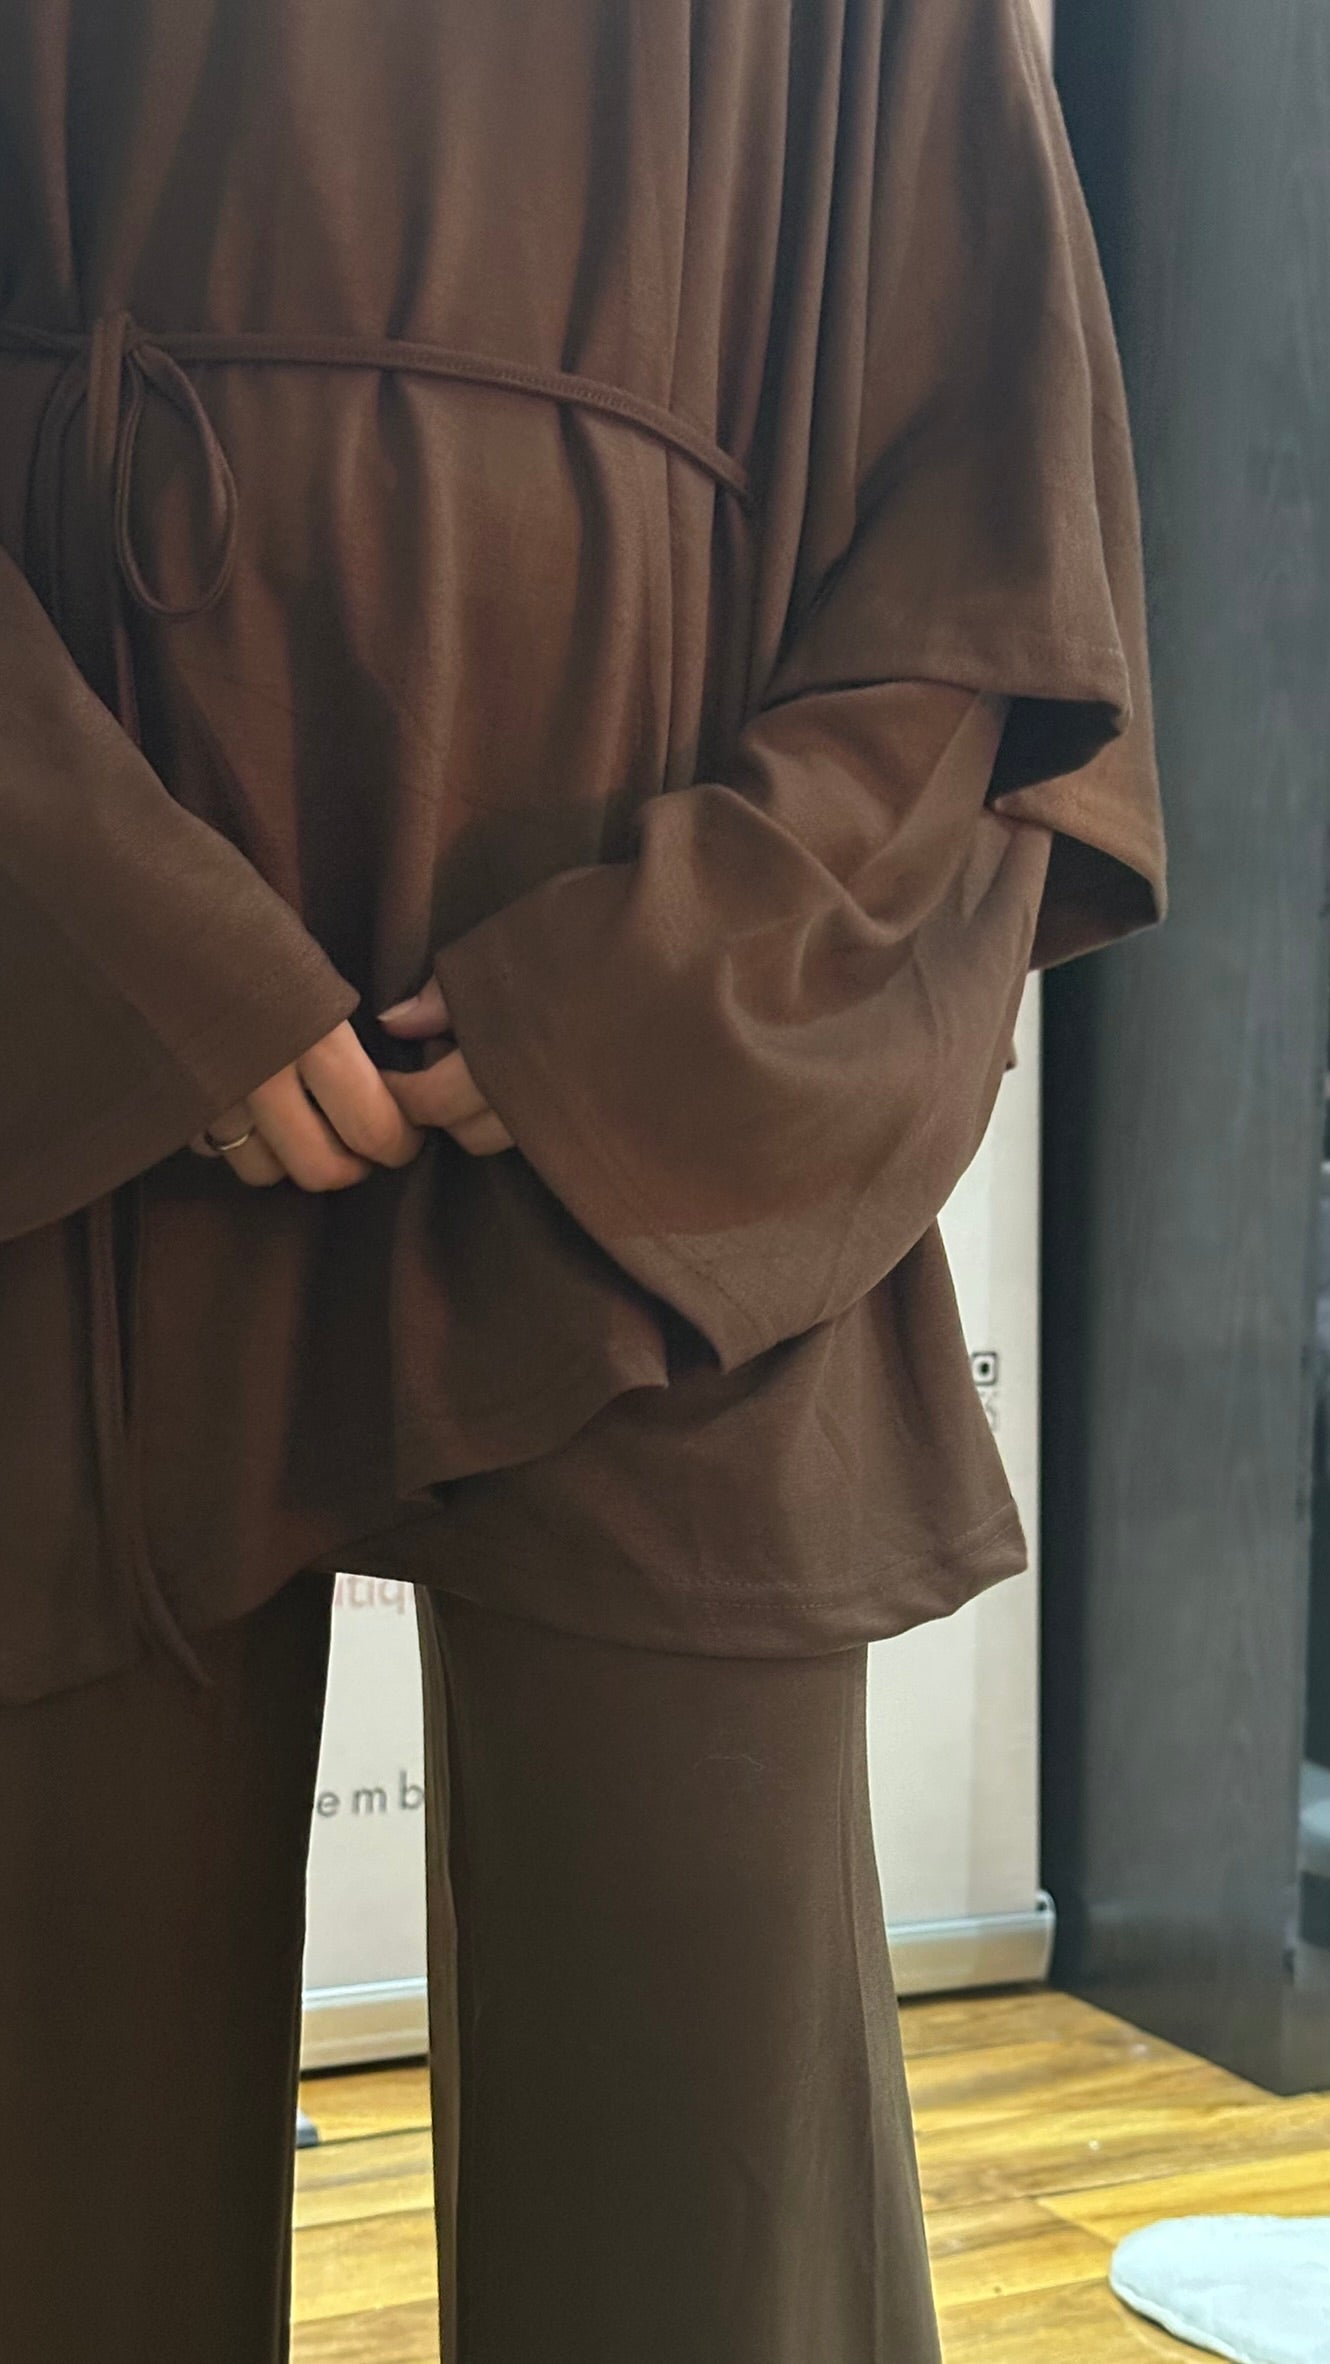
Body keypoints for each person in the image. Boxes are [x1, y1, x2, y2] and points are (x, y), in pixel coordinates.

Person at [0, 0, 1167, 2358]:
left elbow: (977, 552)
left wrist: (668, 981)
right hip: (74, 1055)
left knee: (697, 2177)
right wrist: (108, 927)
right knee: (47, 2116)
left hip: (656, 1098)